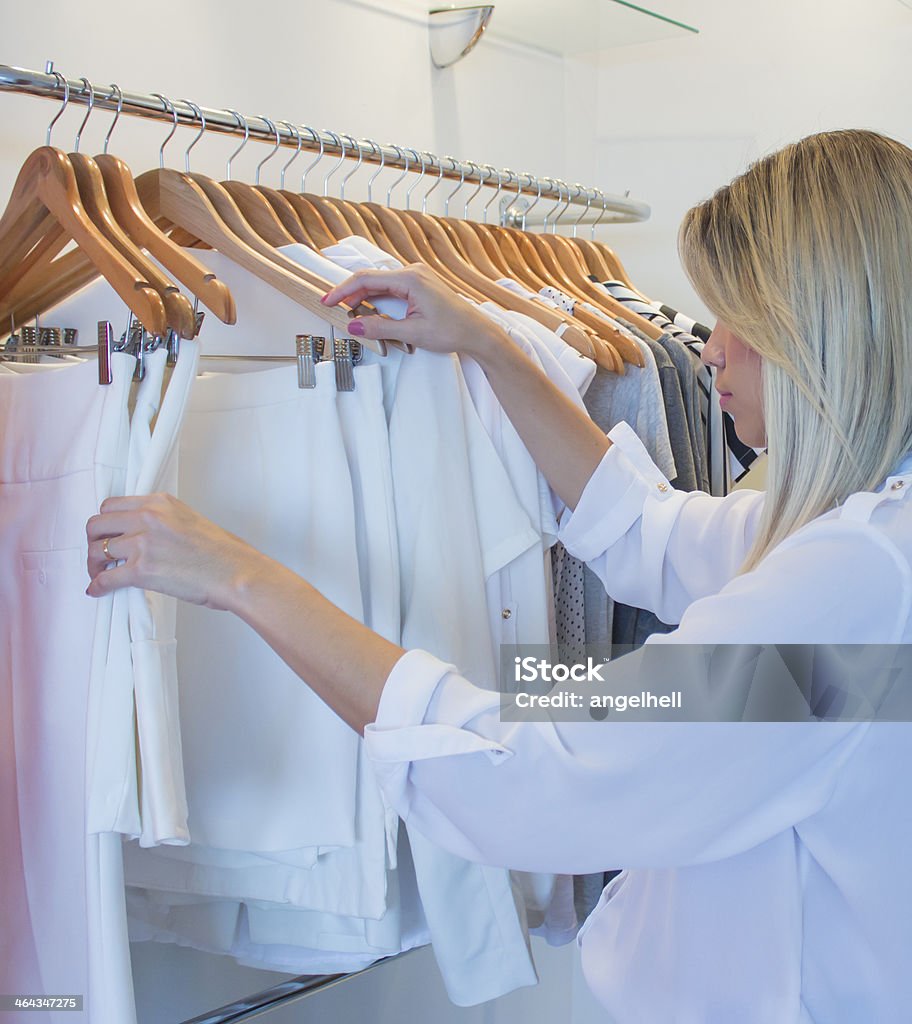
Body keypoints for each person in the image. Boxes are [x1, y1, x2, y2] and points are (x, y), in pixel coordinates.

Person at [85, 129, 912, 1021]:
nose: (711, 347)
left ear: (825, 331)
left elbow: (536, 777)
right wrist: (488, 343)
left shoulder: (858, 585)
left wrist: (244, 579)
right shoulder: (859, 543)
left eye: (741, 317)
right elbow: (649, 530)